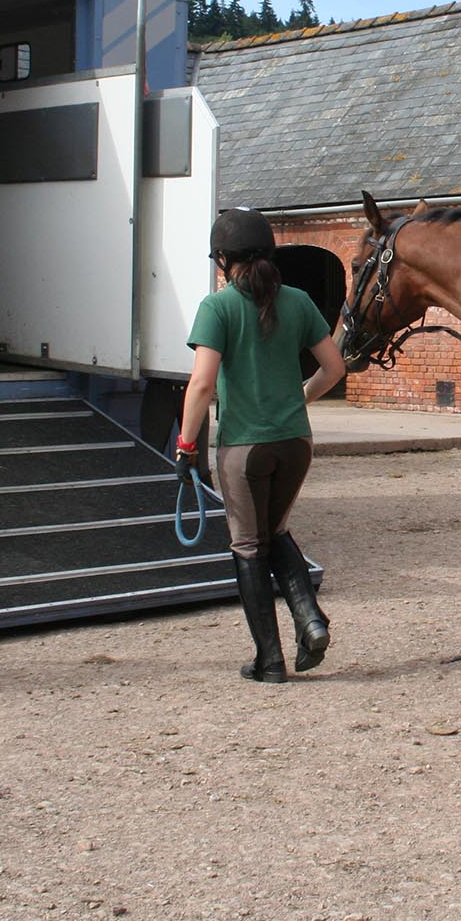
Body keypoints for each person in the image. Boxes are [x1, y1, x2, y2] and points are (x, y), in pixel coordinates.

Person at [179, 207, 345, 683]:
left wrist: (186, 445)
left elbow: (201, 385)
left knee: (249, 545)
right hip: (296, 441)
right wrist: (299, 398)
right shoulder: (298, 300)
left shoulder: (218, 307)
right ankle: (310, 620)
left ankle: (269, 661)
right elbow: (335, 369)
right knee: (274, 531)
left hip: (245, 445)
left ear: (223, 259)